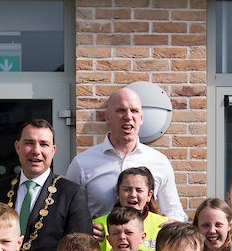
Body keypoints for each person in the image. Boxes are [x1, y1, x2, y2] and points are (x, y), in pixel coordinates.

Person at [66, 87, 188, 222]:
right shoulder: (82, 164)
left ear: (141, 118)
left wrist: (168, 226)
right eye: (121, 110)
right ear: (107, 116)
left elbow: (174, 212)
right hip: (99, 243)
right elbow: (67, 213)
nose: (128, 116)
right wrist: (88, 229)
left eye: (134, 111)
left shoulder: (159, 161)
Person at [0, 119, 93, 251]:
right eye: (29, 143)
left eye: (44, 144)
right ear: (17, 147)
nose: (36, 150)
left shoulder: (71, 194)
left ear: (53, 150)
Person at [91, 167, 168, 251]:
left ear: (149, 195)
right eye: (127, 189)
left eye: (139, 190)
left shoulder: (163, 225)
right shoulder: (98, 226)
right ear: (117, 193)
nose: (133, 195)